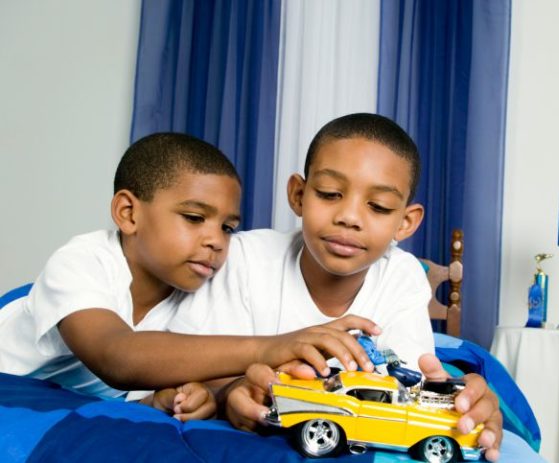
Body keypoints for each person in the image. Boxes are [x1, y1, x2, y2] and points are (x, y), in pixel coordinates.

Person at [170, 114, 503, 459]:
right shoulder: (244, 258)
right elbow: (184, 359)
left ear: (405, 222)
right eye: (330, 194)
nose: (350, 217)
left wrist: (453, 398)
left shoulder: (401, 276)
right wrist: (230, 392)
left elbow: (404, 385)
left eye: (379, 206)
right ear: (298, 195)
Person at [0, 132, 378, 421]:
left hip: (74, 401)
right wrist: (270, 346)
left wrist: (170, 400)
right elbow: (117, 357)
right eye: (194, 218)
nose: (215, 240)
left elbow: (146, 379)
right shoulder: (82, 261)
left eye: (229, 227)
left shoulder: (200, 293)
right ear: (128, 213)